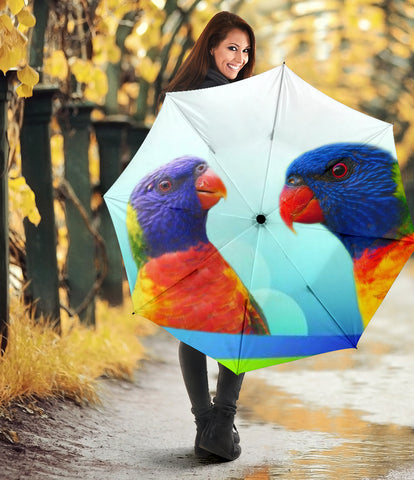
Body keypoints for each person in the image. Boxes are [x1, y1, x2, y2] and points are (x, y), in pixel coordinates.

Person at [160, 11, 256, 462]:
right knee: (239, 319)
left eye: (244, 50)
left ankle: (207, 424)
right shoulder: (227, 101)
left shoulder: (180, 97)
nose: (239, 57)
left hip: (191, 221)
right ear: (212, 48)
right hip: (228, 217)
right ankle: (221, 421)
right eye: (232, 47)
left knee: (197, 321)